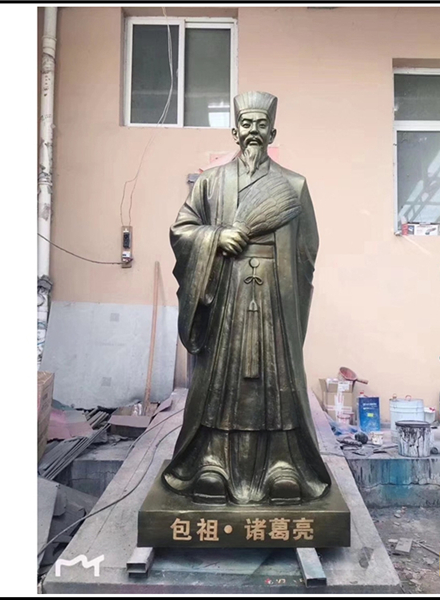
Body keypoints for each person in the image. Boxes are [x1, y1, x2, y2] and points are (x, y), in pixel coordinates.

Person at [162, 91, 331, 505]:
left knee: (276, 382)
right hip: (224, 294)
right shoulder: (210, 182)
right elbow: (183, 230)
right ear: (235, 131)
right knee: (222, 381)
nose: (254, 131)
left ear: (272, 132)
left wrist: (287, 292)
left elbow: (307, 250)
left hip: (274, 298)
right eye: (247, 124)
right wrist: (215, 238)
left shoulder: (293, 186)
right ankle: (212, 462)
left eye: (261, 124)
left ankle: (281, 465)